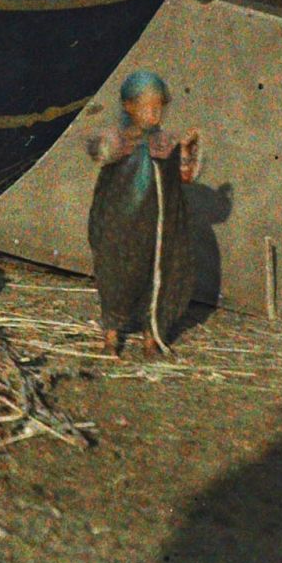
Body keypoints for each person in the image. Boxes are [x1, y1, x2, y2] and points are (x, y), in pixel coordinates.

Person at [86, 70, 202, 356]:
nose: (154, 113)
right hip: (121, 225)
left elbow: (185, 177)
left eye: (159, 106)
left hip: (159, 228)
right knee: (117, 276)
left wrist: (185, 150)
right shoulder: (116, 140)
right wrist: (125, 142)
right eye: (147, 105)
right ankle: (111, 336)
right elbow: (96, 151)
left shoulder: (166, 143)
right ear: (129, 106)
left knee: (159, 275)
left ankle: (151, 337)